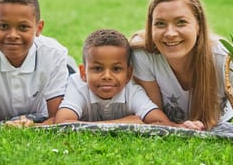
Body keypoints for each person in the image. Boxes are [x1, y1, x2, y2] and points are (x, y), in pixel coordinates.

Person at [130, 0, 233, 130]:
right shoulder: (143, 55)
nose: (170, 33)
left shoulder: (224, 60)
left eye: (181, 22)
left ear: (198, 25)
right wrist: (178, 127)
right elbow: (155, 117)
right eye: (160, 24)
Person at [54, 29, 202, 128]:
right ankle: (69, 64)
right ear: (84, 73)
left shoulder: (132, 90)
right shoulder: (77, 85)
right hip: (69, 75)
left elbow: (160, 122)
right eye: (97, 68)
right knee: (66, 68)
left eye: (116, 69)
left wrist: (182, 127)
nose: (107, 76)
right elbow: (61, 122)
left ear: (129, 74)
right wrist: (125, 122)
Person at [0, 0, 70, 128]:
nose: (13, 35)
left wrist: (33, 127)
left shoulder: (55, 54)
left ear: (39, 28)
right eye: (4, 26)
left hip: (39, 113)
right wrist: (5, 128)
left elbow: (57, 118)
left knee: (70, 69)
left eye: (23, 27)